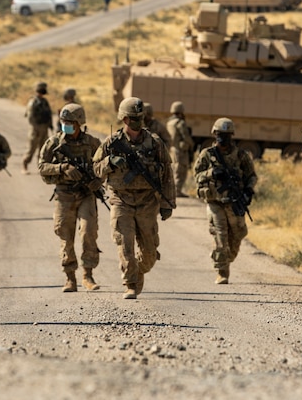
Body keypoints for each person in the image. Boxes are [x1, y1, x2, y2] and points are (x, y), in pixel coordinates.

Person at [93, 97, 175, 299]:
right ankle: (130, 283)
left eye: (140, 118)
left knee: (149, 252)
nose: (137, 122)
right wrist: (110, 163)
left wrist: (167, 203)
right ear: (123, 119)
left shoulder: (155, 143)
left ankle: (137, 272)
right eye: (132, 118)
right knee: (124, 243)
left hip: (148, 202)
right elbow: (95, 169)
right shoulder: (112, 142)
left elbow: (167, 174)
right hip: (121, 200)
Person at [38, 103, 103, 292]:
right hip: (64, 195)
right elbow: (42, 167)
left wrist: (97, 181)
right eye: (64, 121)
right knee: (65, 236)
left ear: (79, 123)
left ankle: (87, 275)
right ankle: (70, 278)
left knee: (88, 232)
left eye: (70, 122)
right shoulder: (54, 143)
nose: (66, 125)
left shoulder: (92, 143)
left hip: (85, 194)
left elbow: (104, 166)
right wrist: (62, 168)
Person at [193, 118, 257, 284]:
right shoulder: (207, 155)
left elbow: (251, 176)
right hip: (215, 202)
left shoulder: (241, 155)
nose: (223, 138)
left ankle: (224, 259)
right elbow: (197, 176)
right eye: (220, 134)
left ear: (232, 136)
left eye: (227, 135)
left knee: (238, 235)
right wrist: (211, 173)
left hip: (234, 202)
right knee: (221, 236)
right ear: (214, 134)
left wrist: (249, 190)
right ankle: (222, 272)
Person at [22, 81, 53, 174]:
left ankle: (41, 167)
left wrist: (50, 125)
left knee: (43, 149)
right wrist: (36, 128)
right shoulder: (33, 102)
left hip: (44, 128)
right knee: (31, 149)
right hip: (35, 129)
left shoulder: (44, 101)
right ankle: (25, 166)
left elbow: (49, 114)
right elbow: (30, 117)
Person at [166, 100, 195, 197]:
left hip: (173, 149)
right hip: (181, 150)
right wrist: (191, 144)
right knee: (180, 169)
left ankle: (174, 189)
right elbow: (186, 137)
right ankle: (177, 190)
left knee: (175, 168)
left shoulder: (169, 122)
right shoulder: (180, 123)